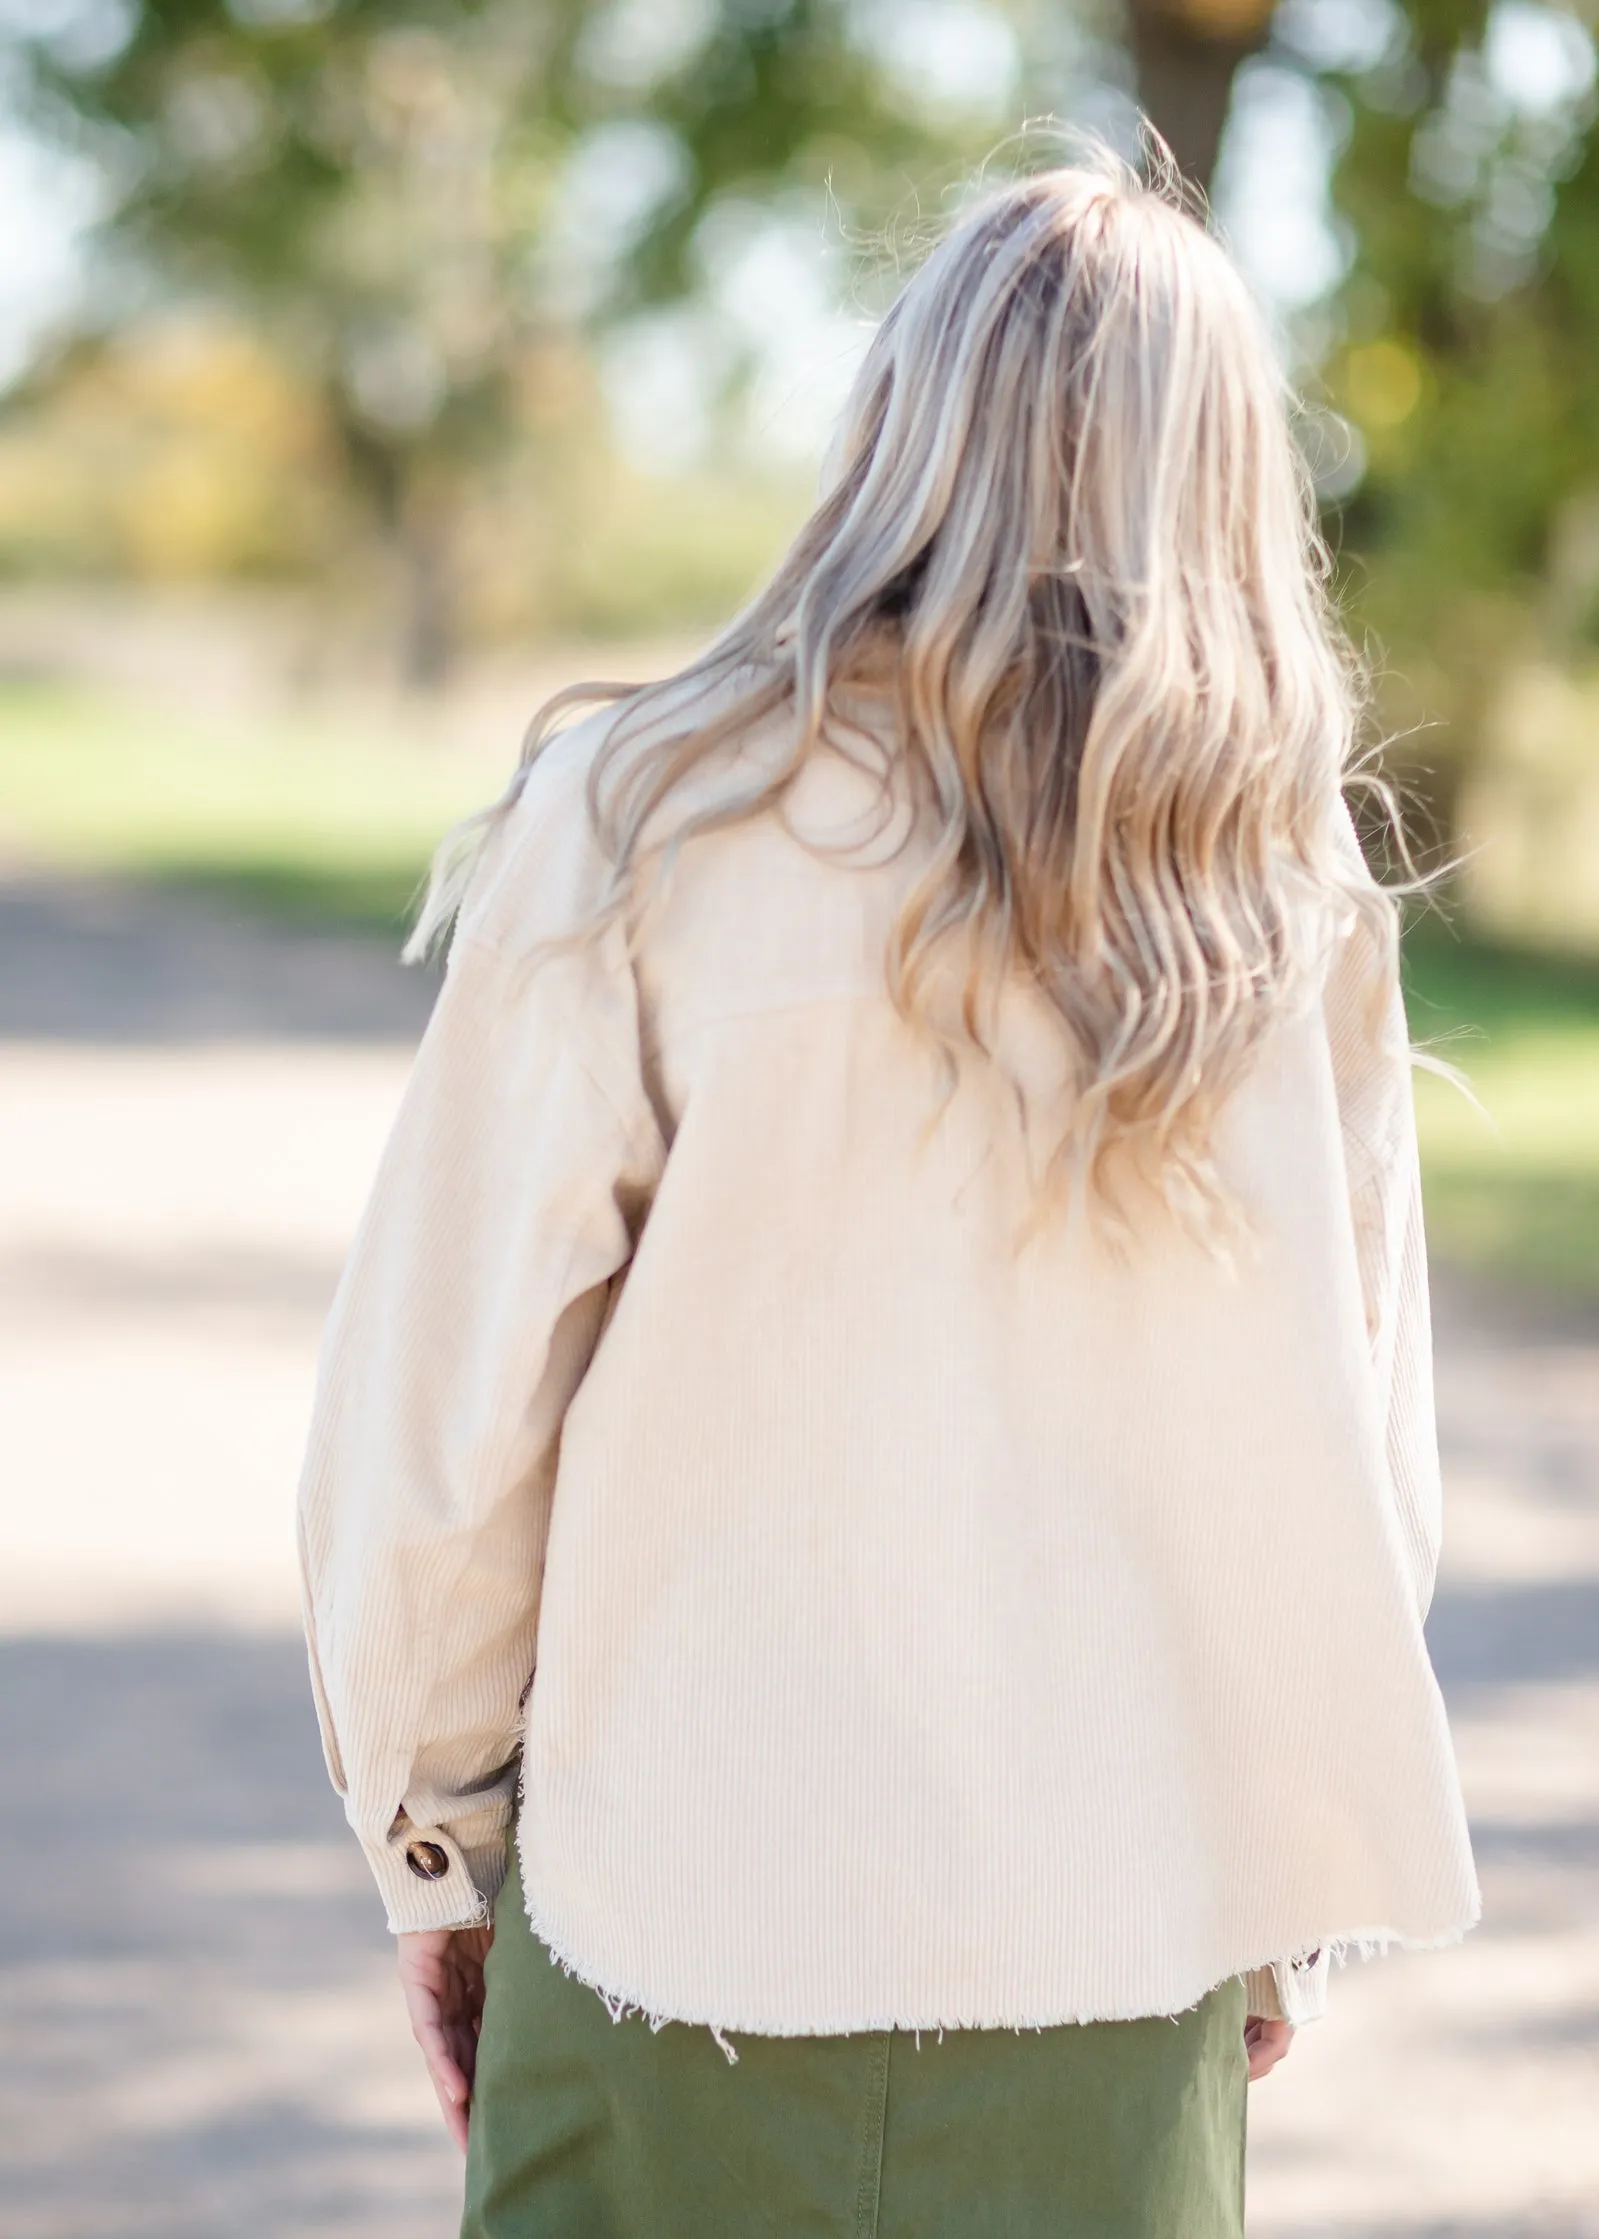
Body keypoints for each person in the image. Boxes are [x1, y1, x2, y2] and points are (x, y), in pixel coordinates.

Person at [297, 142, 1480, 2238]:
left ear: (897, 418)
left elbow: (445, 1420)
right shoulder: (1288, 902)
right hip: (1115, 1966)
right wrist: (1267, 1897)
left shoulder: (645, 822)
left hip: (674, 1929)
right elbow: (1348, 1475)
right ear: (1218, 477)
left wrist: (439, 1850)